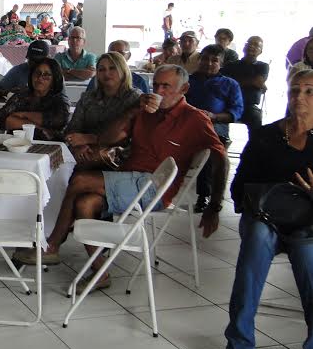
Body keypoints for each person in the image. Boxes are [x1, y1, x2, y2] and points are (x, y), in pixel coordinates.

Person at [24, 66, 228, 284]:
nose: (158, 90)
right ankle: (100, 272)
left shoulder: (195, 119)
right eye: (156, 84)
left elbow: (221, 159)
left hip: (154, 186)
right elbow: (110, 138)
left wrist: (214, 206)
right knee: (85, 203)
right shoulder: (146, 111)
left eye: (166, 86)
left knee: (81, 180)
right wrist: (132, 113)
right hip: (128, 176)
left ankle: (53, 244)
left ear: (184, 88)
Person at [224, 69, 313, 349]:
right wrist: (258, 205)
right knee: (255, 245)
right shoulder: (265, 135)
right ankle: (239, 344)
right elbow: (238, 186)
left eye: (308, 91)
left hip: (308, 223)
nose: (299, 98)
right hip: (265, 218)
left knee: (307, 257)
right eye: (294, 91)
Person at [186, 45, 243, 212]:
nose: (208, 63)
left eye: (214, 60)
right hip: (187, 124)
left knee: (209, 150)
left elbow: (236, 111)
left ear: (221, 64)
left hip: (215, 125)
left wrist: (214, 116)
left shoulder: (230, 84)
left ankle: (204, 195)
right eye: (204, 59)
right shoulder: (188, 80)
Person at [65, 53, 143, 165]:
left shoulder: (134, 98)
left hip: (119, 156)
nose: (106, 73)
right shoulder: (88, 97)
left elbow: (125, 137)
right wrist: (80, 146)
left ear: (123, 70)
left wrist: (89, 139)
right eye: (101, 69)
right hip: (84, 153)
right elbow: (72, 130)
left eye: (112, 68)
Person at [0, 59, 70, 141]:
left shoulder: (59, 100)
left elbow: (58, 120)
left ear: (54, 79)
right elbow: (0, 120)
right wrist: (36, 126)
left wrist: (23, 115)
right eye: (37, 73)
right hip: (17, 144)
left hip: (50, 146)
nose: (40, 78)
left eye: (46, 75)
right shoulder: (22, 95)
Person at [222, 36, 268, 133]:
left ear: (261, 51)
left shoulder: (263, 66)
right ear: (244, 47)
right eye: (249, 43)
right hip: (229, 103)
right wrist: (252, 82)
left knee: (256, 117)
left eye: (256, 45)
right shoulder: (231, 65)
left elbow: (258, 81)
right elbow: (224, 83)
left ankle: (255, 146)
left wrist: (235, 81)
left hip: (248, 105)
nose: (251, 46)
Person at [85, 40, 150, 93]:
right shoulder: (97, 79)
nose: (115, 57)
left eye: (120, 53)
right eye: (111, 53)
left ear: (128, 56)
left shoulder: (138, 81)